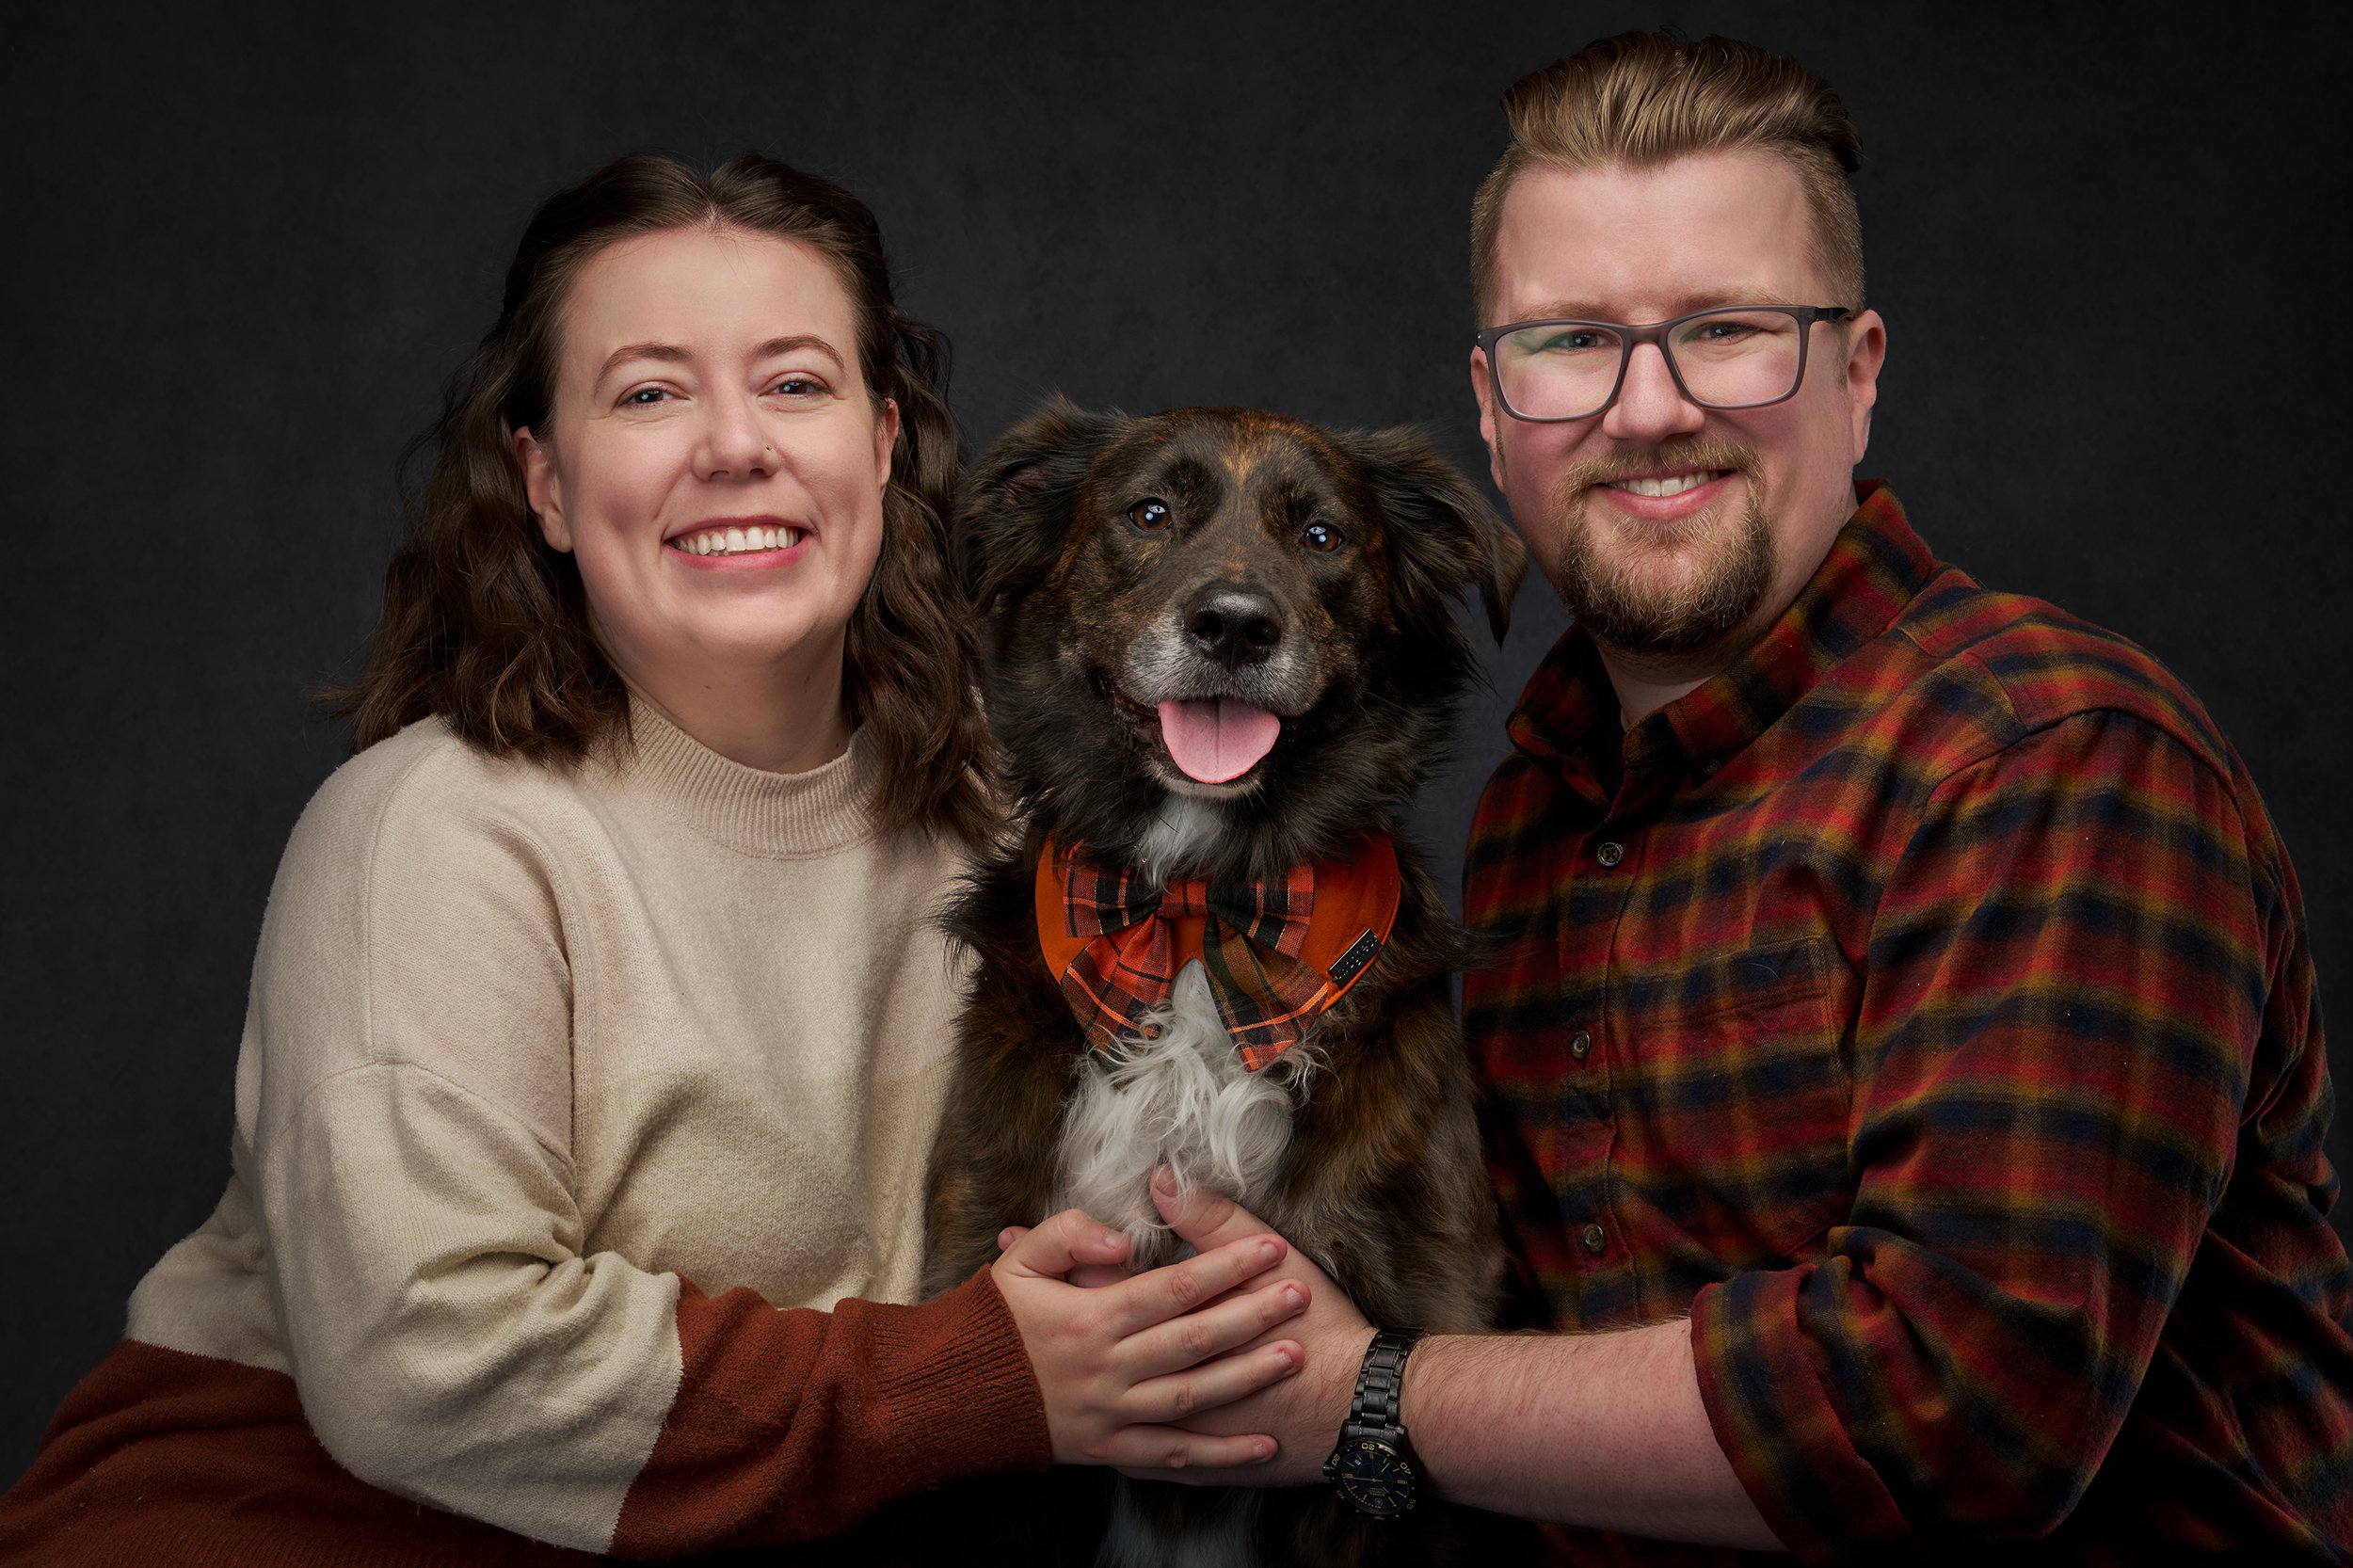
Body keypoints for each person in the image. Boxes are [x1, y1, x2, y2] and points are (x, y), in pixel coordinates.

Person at [1128, 30, 2353, 1563]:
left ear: (1858, 372)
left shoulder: (2050, 760)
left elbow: (1953, 1418)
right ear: (1494, 406)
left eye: (1727, 328)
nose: (1647, 408)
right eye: (1572, 339)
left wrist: (1367, 1396)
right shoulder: (1537, 812)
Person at [0, 152, 1316, 1565]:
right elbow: (427, 1362)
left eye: (795, 383)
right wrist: (968, 1382)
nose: (735, 445)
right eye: (648, 394)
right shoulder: (432, 830)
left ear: (882, 446)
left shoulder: (1034, 834)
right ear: (546, 482)